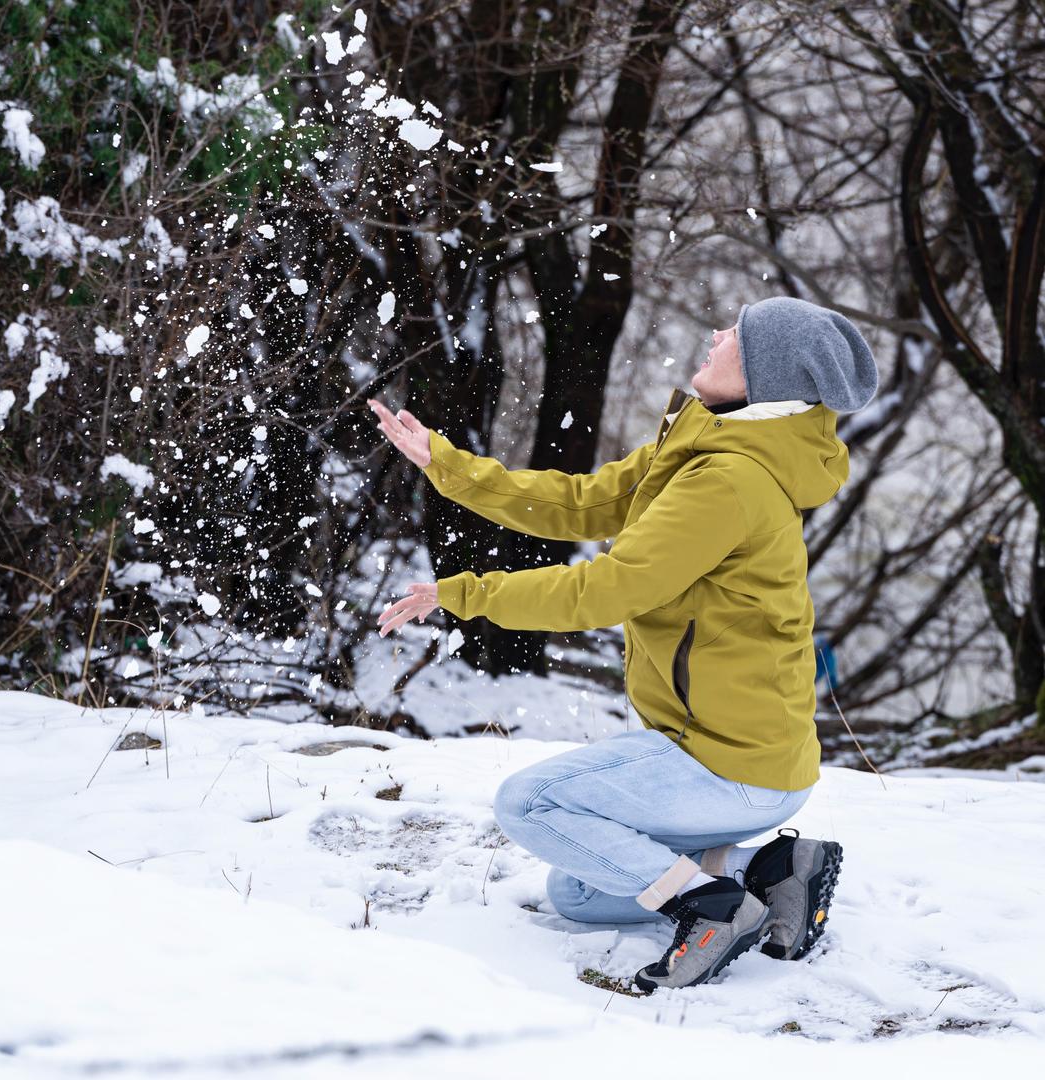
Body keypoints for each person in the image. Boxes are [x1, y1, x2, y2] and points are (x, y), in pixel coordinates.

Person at [368, 295, 878, 992]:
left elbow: (604, 591)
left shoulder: (730, 478)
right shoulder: (709, 436)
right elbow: (586, 504)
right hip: (726, 753)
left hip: (730, 761)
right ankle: (772, 870)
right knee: (578, 894)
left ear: (766, 375)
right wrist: (450, 467)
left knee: (532, 803)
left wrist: (467, 594)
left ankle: (711, 906)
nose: (718, 333)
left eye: (738, 335)